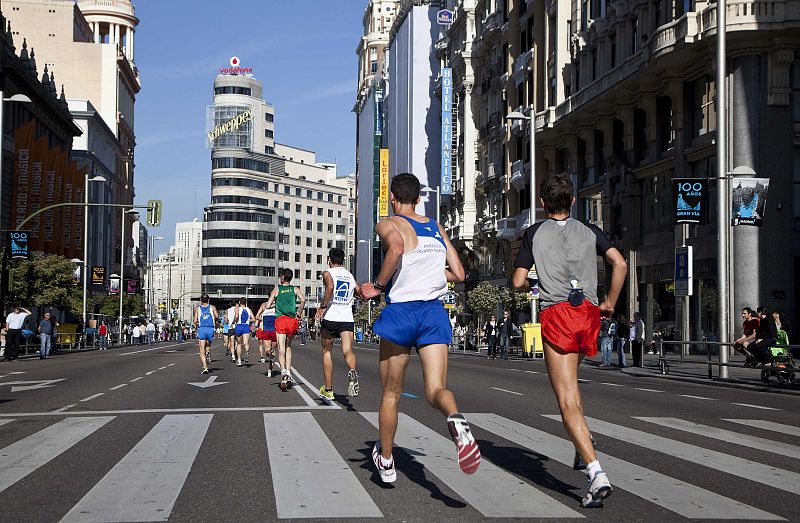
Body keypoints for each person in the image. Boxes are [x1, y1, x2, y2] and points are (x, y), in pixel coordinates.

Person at [512, 173, 627, 508]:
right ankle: (581, 445)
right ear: (574, 201)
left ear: (543, 203)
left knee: (565, 400)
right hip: (588, 313)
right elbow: (619, 263)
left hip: (558, 314)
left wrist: (533, 282)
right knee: (573, 387)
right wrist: (609, 302)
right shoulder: (590, 230)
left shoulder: (534, 233)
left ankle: (596, 472)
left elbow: (518, 281)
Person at [360, 172, 480, 483]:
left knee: (391, 393)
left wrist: (378, 285)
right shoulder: (436, 227)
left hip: (402, 312)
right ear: (418, 198)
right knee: (436, 389)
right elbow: (459, 273)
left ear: (392, 197)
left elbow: (397, 249)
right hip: (433, 314)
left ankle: (387, 460)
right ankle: (455, 418)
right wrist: (431, 271)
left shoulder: (388, 223)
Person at [315, 248, 361, 400]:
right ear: (343, 260)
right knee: (347, 350)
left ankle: (328, 389)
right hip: (347, 318)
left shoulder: (327, 273)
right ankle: (352, 370)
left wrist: (323, 306)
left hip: (331, 317)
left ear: (329, 259)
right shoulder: (349, 275)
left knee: (327, 351)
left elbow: (330, 286)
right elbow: (359, 292)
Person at [264, 269, 305, 390]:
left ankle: (282, 371)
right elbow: (303, 300)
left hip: (281, 320)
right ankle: (288, 371)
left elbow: (267, 306)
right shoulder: (295, 289)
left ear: (282, 277)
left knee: (281, 348)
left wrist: (275, 303)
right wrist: (299, 312)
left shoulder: (277, 289)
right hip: (291, 320)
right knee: (288, 346)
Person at [194, 294, 218, 374]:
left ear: (201, 300)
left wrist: (197, 323)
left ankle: (205, 367)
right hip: (210, 328)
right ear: (208, 300)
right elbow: (217, 316)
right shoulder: (212, 307)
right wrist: (214, 320)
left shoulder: (198, 308)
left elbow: (195, 320)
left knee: (201, 350)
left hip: (202, 329)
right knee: (208, 345)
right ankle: (207, 351)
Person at [254, 301, 278, 377]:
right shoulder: (278, 304)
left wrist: (263, 318)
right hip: (275, 331)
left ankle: (269, 353)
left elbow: (256, 317)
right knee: (273, 351)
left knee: (267, 350)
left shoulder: (264, 305)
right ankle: (270, 370)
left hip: (266, 330)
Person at [234, 298, 254, 367]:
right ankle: (247, 351)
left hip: (239, 325)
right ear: (246, 302)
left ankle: (239, 360)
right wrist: (248, 320)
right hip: (246, 326)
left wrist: (234, 321)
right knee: (246, 343)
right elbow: (254, 319)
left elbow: (236, 316)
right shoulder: (249, 310)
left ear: (239, 302)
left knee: (239, 344)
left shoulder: (237, 309)